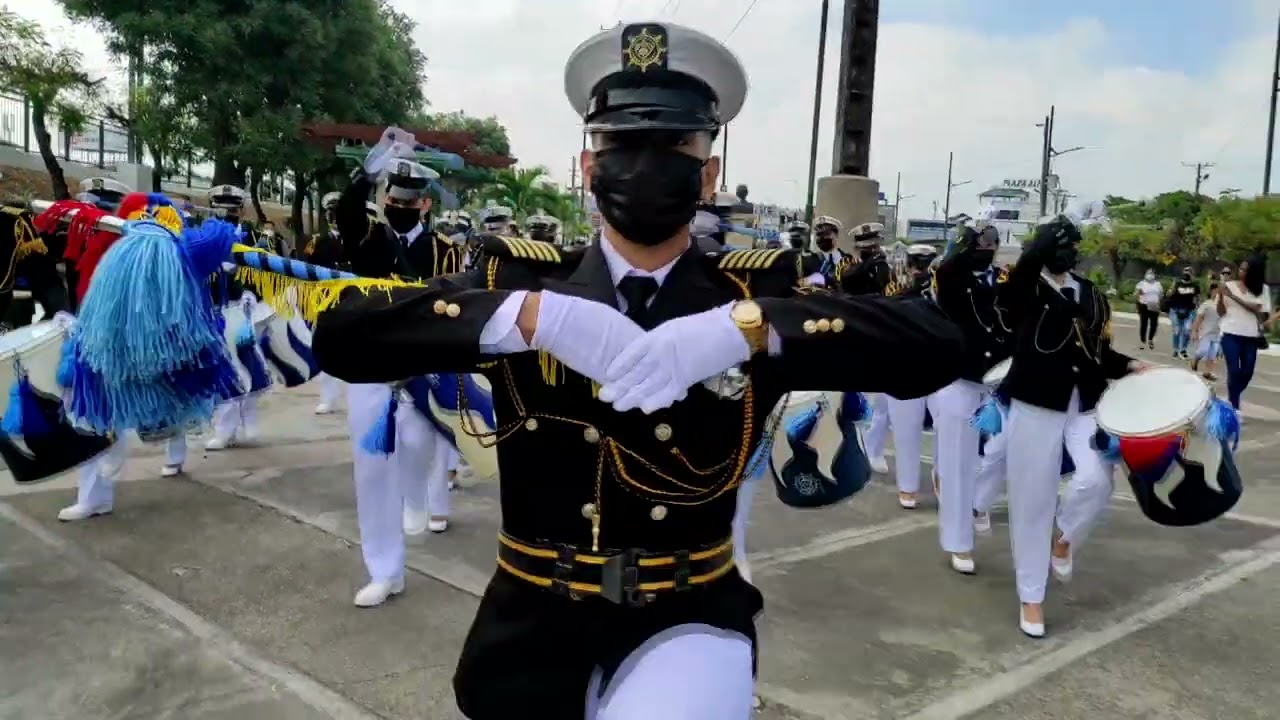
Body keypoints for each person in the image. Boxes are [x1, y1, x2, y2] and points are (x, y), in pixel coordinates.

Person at [311, 21, 964, 718]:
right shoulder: (527, 284)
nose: (647, 163)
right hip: (530, 621)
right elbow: (344, 339)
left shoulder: (749, 296)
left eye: (675, 144)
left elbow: (937, 345)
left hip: (686, 612)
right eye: (622, 143)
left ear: (708, 172)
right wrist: (530, 319)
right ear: (589, 168)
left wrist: (749, 329)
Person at [996, 215, 1143, 638]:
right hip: (1037, 403)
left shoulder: (1091, 294)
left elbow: (1100, 353)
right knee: (1031, 500)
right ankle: (1031, 596)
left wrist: (1134, 366)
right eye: (1059, 245)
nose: (1069, 253)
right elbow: (1008, 302)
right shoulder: (1025, 286)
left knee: (1096, 480)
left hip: (1086, 404)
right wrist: (1034, 251)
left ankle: (1065, 538)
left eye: (1073, 246)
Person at [332, 150, 461, 607]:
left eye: (409, 199)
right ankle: (385, 570)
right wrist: (364, 176)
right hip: (368, 366)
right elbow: (346, 211)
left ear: (425, 204)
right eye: (393, 195)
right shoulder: (367, 237)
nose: (400, 204)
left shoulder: (446, 250)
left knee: (420, 444)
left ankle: (415, 496)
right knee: (370, 472)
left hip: (423, 369)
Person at [58, 192, 190, 522]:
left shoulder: (157, 249)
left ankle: (173, 449)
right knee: (91, 414)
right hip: (95, 340)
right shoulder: (98, 237)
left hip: (143, 345)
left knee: (170, 400)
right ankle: (94, 495)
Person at [929, 225, 1011, 574]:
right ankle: (960, 543)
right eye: (982, 242)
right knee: (959, 466)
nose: (989, 247)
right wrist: (962, 242)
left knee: (1007, 447)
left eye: (994, 242)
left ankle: (978, 503)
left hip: (1001, 380)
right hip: (959, 380)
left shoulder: (1004, 278)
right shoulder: (950, 275)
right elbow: (948, 272)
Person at [883, 243, 940, 509]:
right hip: (903, 365)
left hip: (938, 365)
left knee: (945, 426)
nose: (920, 269)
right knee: (906, 429)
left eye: (925, 263)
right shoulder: (896, 289)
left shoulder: (942, 290)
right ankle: (908, 486)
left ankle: (941, 473)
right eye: (917, 262)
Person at [1216, 255, 1273, 413]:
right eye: (1240, 269)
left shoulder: (1262, 290)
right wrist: (1221, 297)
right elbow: (1221, 312)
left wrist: (1232, 296)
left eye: (1246, 270)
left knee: (1247, 372)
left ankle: (1231, 398)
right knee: (1234, 371)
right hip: (1230, 334)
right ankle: (1234, 406)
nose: (1241, 272)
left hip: (1250, 337)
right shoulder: (1229, 285)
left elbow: (1258, 310)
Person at [1190, 281, 1222, 381]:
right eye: (1216, 290)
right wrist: (1194, 331)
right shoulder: (1206, 304)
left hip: (1217, 334)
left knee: (1212, 355)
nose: (1218, 293)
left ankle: (1208, 372)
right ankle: (1195, 359)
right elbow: (1198, 319)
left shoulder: (1223, 306)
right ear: (1212, 291)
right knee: (1203, 350)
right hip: (1206, 333)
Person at [1165, 265, 1199, 359]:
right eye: (1185, 272)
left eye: (1189, 272)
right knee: (1177, 330)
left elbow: (1197, 298)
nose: (1187, 274)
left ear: (1192, 274)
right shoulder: (1177, 283)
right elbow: (1168, 294)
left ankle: (1183, 349)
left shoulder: (1195, 285)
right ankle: (1176, 350)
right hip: (1175, 309)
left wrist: (1197, 309)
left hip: (1189, 310)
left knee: (1187, 330)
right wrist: (1173, 288)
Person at [1134, 269, 1162, 350]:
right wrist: (1137, 306)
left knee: (1154, 324)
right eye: (1148, 273)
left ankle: (1150, 339)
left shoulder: (1158, 284)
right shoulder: (1141, 284)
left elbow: (1160, 295)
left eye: (1152, 273)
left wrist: (1159, 306)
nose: (1150, 275)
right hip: (1144, 306)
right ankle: (1142, 341)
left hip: (1154, 306)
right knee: (1144, 324)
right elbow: (1136, 295)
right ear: (1145, 274)